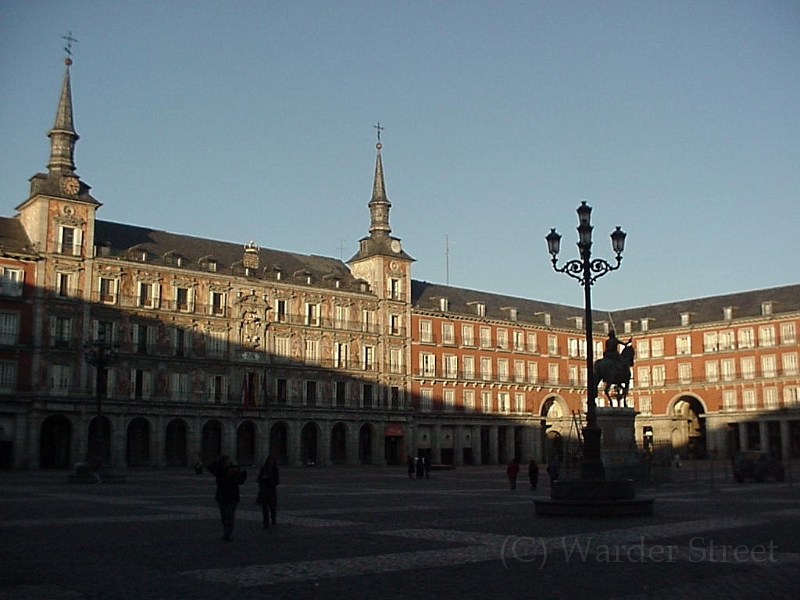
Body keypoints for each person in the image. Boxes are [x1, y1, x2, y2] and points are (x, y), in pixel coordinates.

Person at [208, 456, 246, 541]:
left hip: (232, 497)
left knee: (230, 515)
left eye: (228, 461)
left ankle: (227, 533)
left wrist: (243, 473)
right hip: (222, 497)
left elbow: (241, 481)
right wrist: (217, 462)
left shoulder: (234, 470)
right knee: (224, 516)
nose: (227, 463)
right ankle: (226, 531)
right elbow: (210, 468)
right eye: (225, 462)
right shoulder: (220, 471)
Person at [257, 455, 280, 528]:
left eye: (272, 461)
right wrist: (262, 480)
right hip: (264, 490)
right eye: (269, 461)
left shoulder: (275, 470)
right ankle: (265, 522)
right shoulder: (263, 469)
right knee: (264, 508)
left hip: (271, 490)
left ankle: (273, 519)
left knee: (272, 507)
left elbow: (277, 480)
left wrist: (270, 480)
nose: (270, 462)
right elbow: (258, 478)